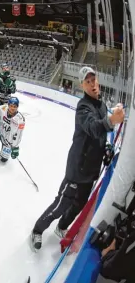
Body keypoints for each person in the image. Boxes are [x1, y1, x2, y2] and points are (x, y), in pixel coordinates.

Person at [30, 67, 125, 252]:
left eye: (93, 79)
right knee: (60, 205)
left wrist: (105, 147)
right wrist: (112, 120)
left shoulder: (101, 105)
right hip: (77, 169)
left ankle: (62, 227)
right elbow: (92, 127)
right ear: (82, 85)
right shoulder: (83, 107)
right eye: (87, 82)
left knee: (79, 205)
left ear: (97, 80)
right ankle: (37, 229)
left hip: (91, 171)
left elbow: (100, 134)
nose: (92, 84)